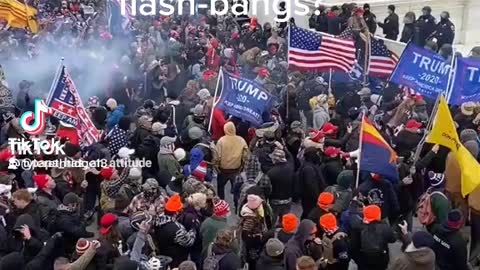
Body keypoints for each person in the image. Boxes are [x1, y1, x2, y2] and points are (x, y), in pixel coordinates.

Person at [155, 194, 196, 268]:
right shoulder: (176, 230)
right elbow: (189, 242)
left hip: (163, 253)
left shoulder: (157, 220)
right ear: (176, 212)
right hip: (176, 259)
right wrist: (192, 229)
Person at [353, 205, 396, 270]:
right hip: (381, 259)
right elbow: (393, 239)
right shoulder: (384, 227)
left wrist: (358, 260)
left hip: (364, 260)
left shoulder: (358, 228)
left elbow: (353, 247)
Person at [214, 122, 249, 199]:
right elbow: (246, 155)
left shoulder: (221, 141)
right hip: (236, 170)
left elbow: (217, 156)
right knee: (237, 190)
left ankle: (221, 203)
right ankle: (237, 205)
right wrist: (242, 166)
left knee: (220, 188)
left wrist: (216, 167)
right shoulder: (241, 140)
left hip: (223, 170)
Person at [266, 147, 295, 224]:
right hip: (288, 199)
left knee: (272, 219)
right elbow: (290, 157)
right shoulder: (290, 168)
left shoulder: (271, 173)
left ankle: (270, 231)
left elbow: (268, 188)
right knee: (285, 219)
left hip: (275, 200)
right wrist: (284, 148)